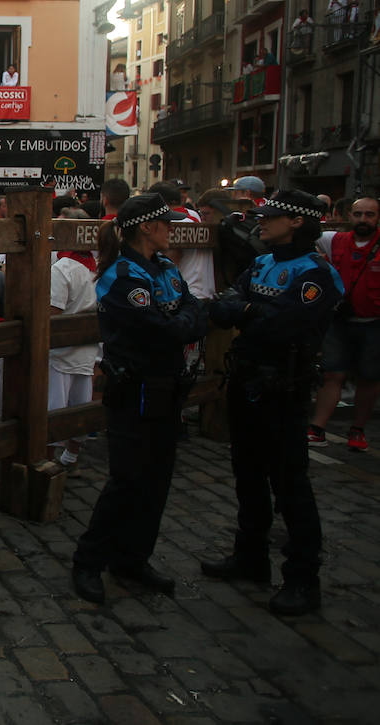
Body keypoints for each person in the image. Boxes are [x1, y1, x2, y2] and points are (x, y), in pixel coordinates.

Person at [202, 191, 341, 616]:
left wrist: (243, 309)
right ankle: (251, 556)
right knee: (247, 473)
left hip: (284, 388)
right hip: (247, 380)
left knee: (290, 484)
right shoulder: (262, 262)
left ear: (297, 222)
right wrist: (247, 309)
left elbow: (281, 323)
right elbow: (225, 307)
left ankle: (303, 577)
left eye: (271, 217)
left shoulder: (316, 273)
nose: (261, 223)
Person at [71, 194, 208, 604]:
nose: (172, 229)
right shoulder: (123, 274)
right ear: (146, 227)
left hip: (167, 388)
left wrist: (184, 321)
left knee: (157, 480)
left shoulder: (164, 267)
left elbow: (191, 308)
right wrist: (185, 322)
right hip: (134, 390)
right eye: (166, 223)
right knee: (127, 480)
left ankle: (133, 558)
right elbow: (162, 328)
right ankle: (88, 561)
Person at [310, 196, 380, 450]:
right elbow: (306, 234)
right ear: (349, 216)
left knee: (369, 378)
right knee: (332, 373)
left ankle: (358, 429)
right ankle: (317, 428)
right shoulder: (334, 240)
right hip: (340, 320)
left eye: (369, 215)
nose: (363, 219)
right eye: (358, 214)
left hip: (374, 323)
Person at [48, 218, 98, 473]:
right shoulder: (96, 266)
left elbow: (53, 312)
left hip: (61, 350)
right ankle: (71, 456)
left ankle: (47, 458)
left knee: (54, 405)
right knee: (81, 401)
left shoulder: (63, 268)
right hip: (87, 347)